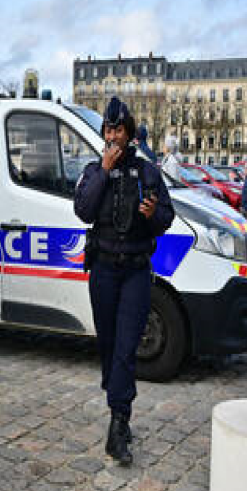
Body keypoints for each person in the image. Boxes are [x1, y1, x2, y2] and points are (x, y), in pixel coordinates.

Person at [73, 96, 174, 466]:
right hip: (102, 270)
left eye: (119, 130)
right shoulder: (93, 169)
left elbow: (167, 216)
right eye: (108, 130)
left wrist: (152, 214)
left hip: (134, 271)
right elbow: (83, 209)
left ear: (129, 134)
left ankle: (119, 422)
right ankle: (118, 403)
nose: (113, 135)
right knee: (110, 344)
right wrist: (103, 170)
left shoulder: (147, 172)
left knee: (127, 347)